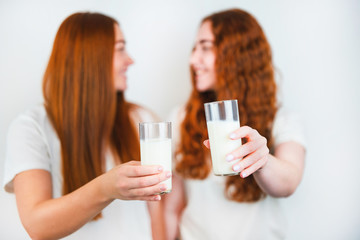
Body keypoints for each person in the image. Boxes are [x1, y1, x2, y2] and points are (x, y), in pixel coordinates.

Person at [3, 12, 170, 240]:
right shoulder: (30, 128)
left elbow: (155, 213)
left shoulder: (141, 118)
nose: (130, 60)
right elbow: (37, 225)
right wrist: (105, 188)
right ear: (91, 57)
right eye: (120, 48)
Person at [164, 8, 306, 240]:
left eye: (205, 47)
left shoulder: (280, 119)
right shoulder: (182, 118)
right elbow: (172, 209)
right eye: (194, 48)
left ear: (238, 54)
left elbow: (289, 182)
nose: (193, 60)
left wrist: (262, 161)